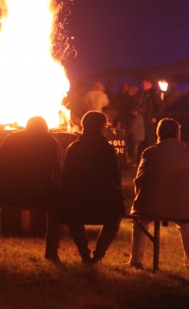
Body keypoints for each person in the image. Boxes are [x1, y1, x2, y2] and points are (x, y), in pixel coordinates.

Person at [0, 116, 62, 262]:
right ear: (44, 128)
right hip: (39, 194)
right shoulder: (50, 141)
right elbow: (58, 172)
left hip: (7, 193)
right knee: (58, 206)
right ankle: (52, 250)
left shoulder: (10, 138)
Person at [128, 117, 189, 271]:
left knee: (140, 222)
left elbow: (139, 180)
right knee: (187, 224)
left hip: (149, 206)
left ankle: (136, 259)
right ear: (177, 134)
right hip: (180, 207)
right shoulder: (188, 154)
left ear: (158, 133)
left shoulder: (149, 153)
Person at [61, 111, 124, 264]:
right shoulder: (107, 149)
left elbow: (66, 177)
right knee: (115, 218)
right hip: (103, 202)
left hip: (77, 202)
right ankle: (98, 254)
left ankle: (84, 253)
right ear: (101, 127)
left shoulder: (74, 147)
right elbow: (116, 176)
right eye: (105, 126)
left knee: (73, 218)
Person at [138, 78, 163, 150]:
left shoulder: (153, 93)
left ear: (149, 84)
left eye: (143, 83)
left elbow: (161, 106)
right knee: (145, 138)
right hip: (144, 119)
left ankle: (152, 154)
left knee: (149, 138)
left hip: (149, 120)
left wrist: (154, 116)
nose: (142, 85)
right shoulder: (144, 93)